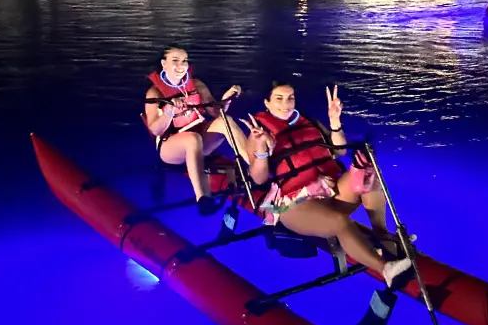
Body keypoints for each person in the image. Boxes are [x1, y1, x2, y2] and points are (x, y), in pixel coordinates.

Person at [240, 82, 414, 289]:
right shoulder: (260, 132)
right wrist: (260, 148)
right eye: (279, 98)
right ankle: (386, 269)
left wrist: (334, 120)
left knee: (369, 173)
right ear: (267, 103)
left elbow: (339, 151)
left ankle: (383, 235)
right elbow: (258, 179)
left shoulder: (308, 122)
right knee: (339, 221)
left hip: (330, 190)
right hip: (294, 204)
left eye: (290, 97)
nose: (286, 104)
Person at [143, 47, 251, 215]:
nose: (181, 65)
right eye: (175, 60)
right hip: (170, 147)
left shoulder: (197, 84)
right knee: (192, 139)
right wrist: (169, 111)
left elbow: (216, 112)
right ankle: (203, 197)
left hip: (199, 140)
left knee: (225, 120)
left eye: (185, 60)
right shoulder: (154, 93)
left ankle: (254, 166)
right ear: (164, 64)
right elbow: (155, 129)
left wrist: (226, 98)